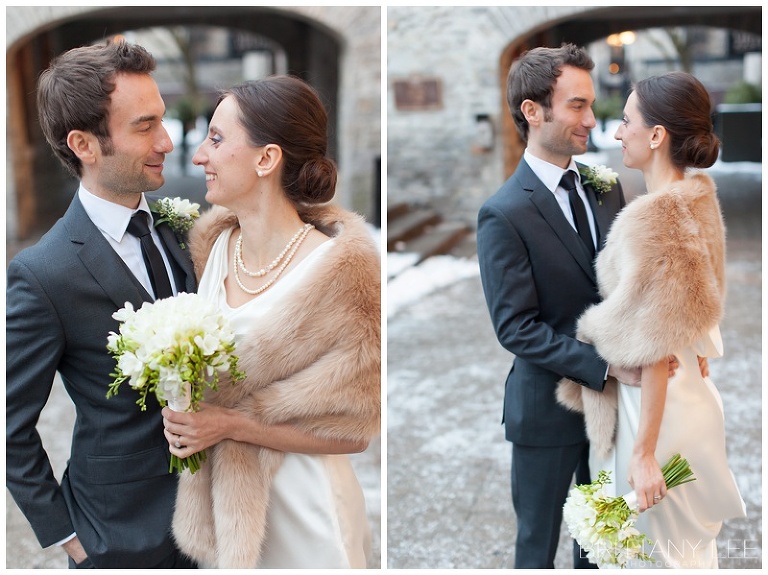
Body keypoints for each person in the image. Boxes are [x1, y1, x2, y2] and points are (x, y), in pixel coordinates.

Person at [160, 75, 381, 568]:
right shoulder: (216, 249)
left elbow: (355, 432)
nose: (198, 156)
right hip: (228, 517)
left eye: (216, 139)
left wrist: (229, 424)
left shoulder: (341, 270)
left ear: (266, 158)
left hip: (309, 516)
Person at [6, 40, 198, 568]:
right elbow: (10, 428)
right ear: (84, 145)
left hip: (219, 518)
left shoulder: (184, 229)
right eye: (143, 126)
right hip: (119, 534)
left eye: (162, 119)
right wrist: (67, 535)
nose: (165, 140)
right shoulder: (42, 274)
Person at [557, 71, 746, 568]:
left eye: (625, 121)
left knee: (652, 555)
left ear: (657, 135)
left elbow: (655, 347)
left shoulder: (655, 217)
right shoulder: (699, 198)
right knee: (682, 555)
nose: (617, 132)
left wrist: (642, 454)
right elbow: (701, 304)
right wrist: (699, 350)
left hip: (654, 414)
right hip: (691, 401)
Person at [476, 43, 642, 568]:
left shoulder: (606, 189)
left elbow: (626, 288)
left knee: (604, 548)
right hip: (546, 412)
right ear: (533, 111)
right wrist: (606, 365)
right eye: (576, 105)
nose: (591, 119)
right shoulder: (502, 213)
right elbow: (516, 328)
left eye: (591, 105)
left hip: (616, 413)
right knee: (536, 549)